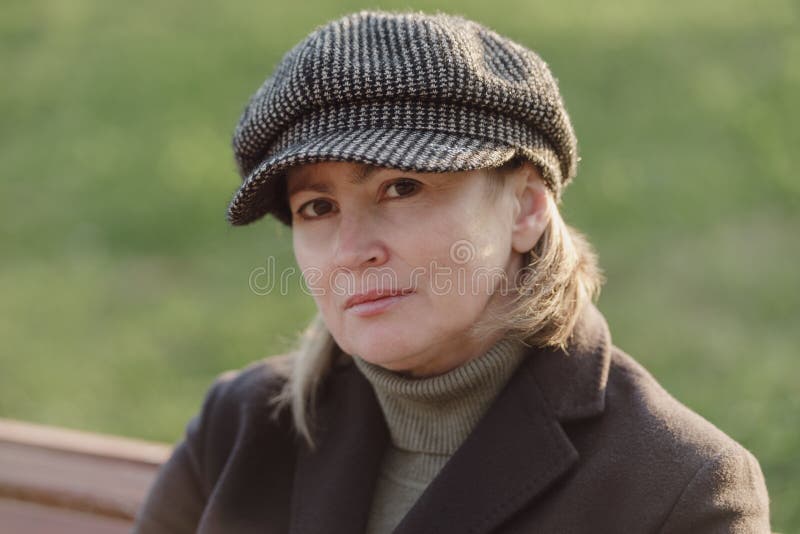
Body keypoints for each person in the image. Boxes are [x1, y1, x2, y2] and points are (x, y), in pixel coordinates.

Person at [133, 10, 771, 533]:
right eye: (318, 207)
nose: (353, 248)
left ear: (526, 207)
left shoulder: (682, 491)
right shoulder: (242, 425)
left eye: (402, 187)